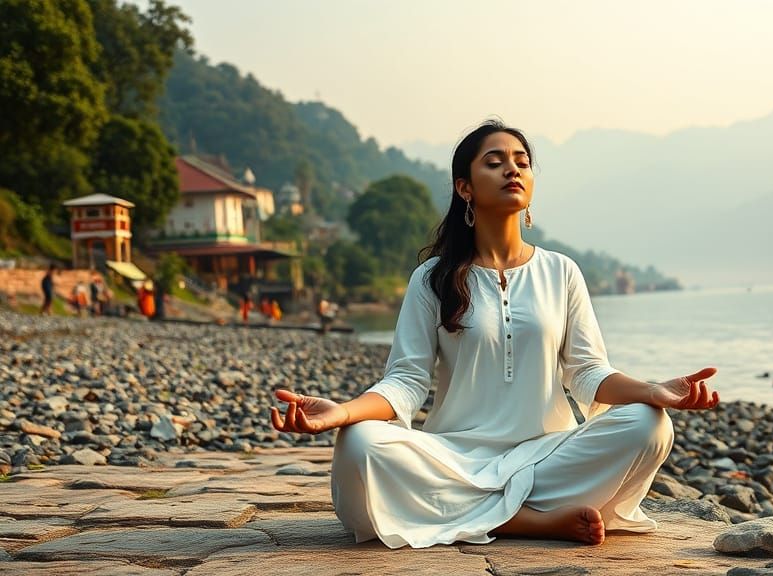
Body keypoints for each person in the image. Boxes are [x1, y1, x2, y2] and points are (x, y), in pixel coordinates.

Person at [268, 121, 720, 550]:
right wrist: (343, 412)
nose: (512, 169)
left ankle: (466, 512)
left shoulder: (561, 271)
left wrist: (653, 391)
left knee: (650, 425)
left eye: (522, 161)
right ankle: (528, 520)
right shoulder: (432, 279)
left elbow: (588, 372)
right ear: (465, 187)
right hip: (454, 459)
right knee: (358, 443)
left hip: (546, 456)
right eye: (495, 161)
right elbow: (405, 382)